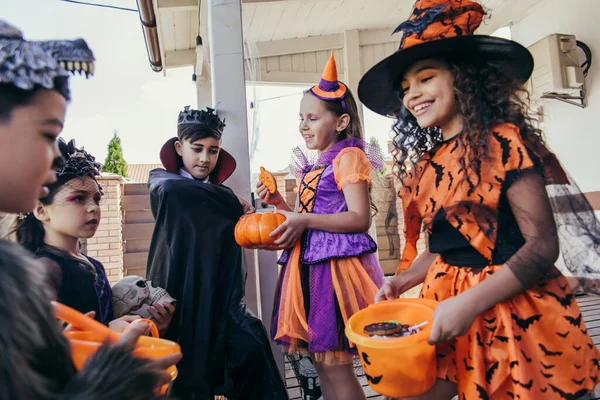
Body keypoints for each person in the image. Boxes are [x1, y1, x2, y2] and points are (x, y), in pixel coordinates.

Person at [358, 1, 600, 398]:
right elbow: (443, 249)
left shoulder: (504, 142)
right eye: (405, 89)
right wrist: (401, 280)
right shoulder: (428, 166)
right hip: (446, 304)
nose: (412, 94)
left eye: (425, 77)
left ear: (463, 77)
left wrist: (469, 303)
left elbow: (542, 246)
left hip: (511, 312)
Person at [0, 19, 180, 399]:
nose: (53, 159)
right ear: (41, 211)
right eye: (48, 134)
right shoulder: (36, 271)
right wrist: (111, 378)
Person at [256, 54, 385, 400]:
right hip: (309, 269)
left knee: (337, 366)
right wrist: (279, 206)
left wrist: (304, 219)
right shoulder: (314, 166)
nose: (303, 125)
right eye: (301, 118)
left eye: (313, 117)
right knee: (322, 362)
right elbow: (303, 216)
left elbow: (359, 219)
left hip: (336, 273)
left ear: (342, 121)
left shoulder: (348, 157)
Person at [146, 106, 288, 400]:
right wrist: (230, 199)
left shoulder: (218, 195)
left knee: (252, 348)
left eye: (213, 151)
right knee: (188, 379)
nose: (204, 159)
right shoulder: (165, 185)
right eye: (196, 149)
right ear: (178, 147)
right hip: (182, 300)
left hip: (223, 301)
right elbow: (178, 192)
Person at [13, 138, 175, 334]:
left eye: (97, 199)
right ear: (41, 211)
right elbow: (42, 350)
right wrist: (106, 331)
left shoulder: (93, 265)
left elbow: (104, 322)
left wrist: (148, 325)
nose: (93, 208)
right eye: (78, 198)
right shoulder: (44, 270)